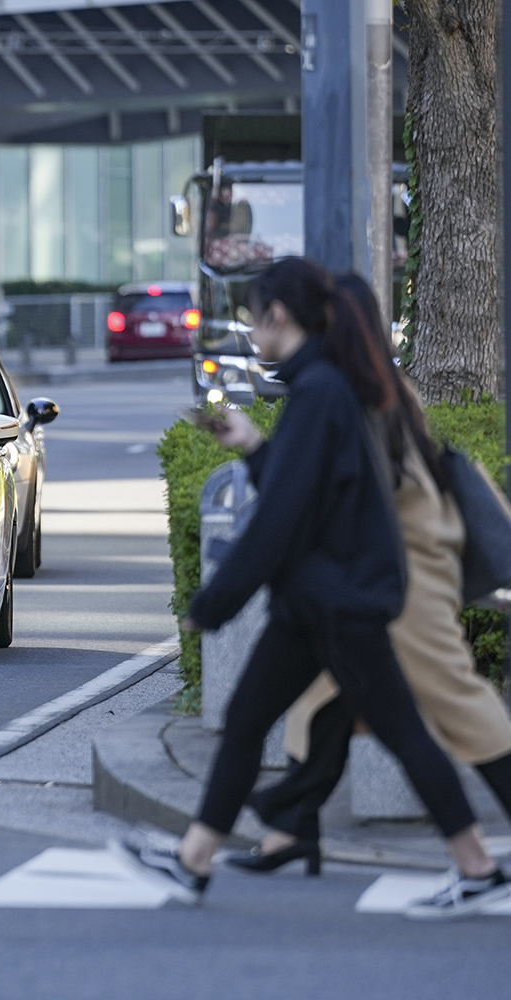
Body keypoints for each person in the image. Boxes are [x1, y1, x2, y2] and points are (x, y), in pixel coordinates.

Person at [110, 257, 510, 920]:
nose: (248, 332)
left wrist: (212, 604)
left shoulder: (324, 392)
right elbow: (304, 494)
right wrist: (252, 446)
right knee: (252, 720)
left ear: (279, 317)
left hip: (339, 603)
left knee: (407, 732)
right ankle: (199, 861)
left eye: (253, 317)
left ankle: (473, 866)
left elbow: (281, 518)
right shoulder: (327, 390)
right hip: (320, 600)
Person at [230, 274, 511, 878]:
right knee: (321, 702)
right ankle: (292, 833)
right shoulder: (374, 384)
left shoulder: (352, 392)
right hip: (394, 569)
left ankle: (467, 860)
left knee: (454, 701)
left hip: (406, 575)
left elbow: (317, 496)